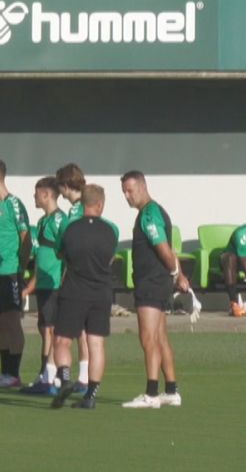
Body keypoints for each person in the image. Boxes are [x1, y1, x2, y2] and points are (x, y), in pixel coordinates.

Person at [120, 171, 189, 409]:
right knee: (160, 337)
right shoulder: (154, 211)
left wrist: (174, 272)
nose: (127, 196)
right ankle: (171, 391)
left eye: (130, 190)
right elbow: (169, 248)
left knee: (148, 337)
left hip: (151, 283)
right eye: (124, 192)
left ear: (142, 186)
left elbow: (161, 246)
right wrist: (178, 274)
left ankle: (151, 394)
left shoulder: (148, 215)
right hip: (158, 283)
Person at [50, 185, 119, 411]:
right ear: (100, 205)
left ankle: (65, 377)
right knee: (96, 343)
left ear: (81, 204)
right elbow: (109, 259)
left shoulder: (70, 229)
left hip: (74, 290)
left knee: (62, 340)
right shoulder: (111, 231)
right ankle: (90, 395)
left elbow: (61, 254)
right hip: (101, 292)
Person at [0, 159, 31, 388]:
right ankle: (4, 371)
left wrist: (20, 267)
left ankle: (14, 374)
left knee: (12, 321)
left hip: (10, 272)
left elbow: (25, 238)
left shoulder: (15, 204)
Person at [21, 177, 68, 394]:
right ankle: (46, 375)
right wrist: (32, 283)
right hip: (43, 284)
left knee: (51, 330)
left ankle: (50, 378)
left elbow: (68, 252)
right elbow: (41, 256)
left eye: (36, 193)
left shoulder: (60, 220)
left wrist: (65, 279)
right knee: (44, 329)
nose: (34, 196)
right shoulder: (42, 222)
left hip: (55, 283)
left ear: (47, 195)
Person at [53, 163, 92, 391]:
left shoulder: (78, 209)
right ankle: (84, 377)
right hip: (82, 273)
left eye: (61, 187)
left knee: (81, 330)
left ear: (67, 185)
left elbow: (68, 242)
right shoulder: (85, 206)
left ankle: (84, 379)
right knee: (83, 330)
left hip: (80, 275)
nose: (61, 192)